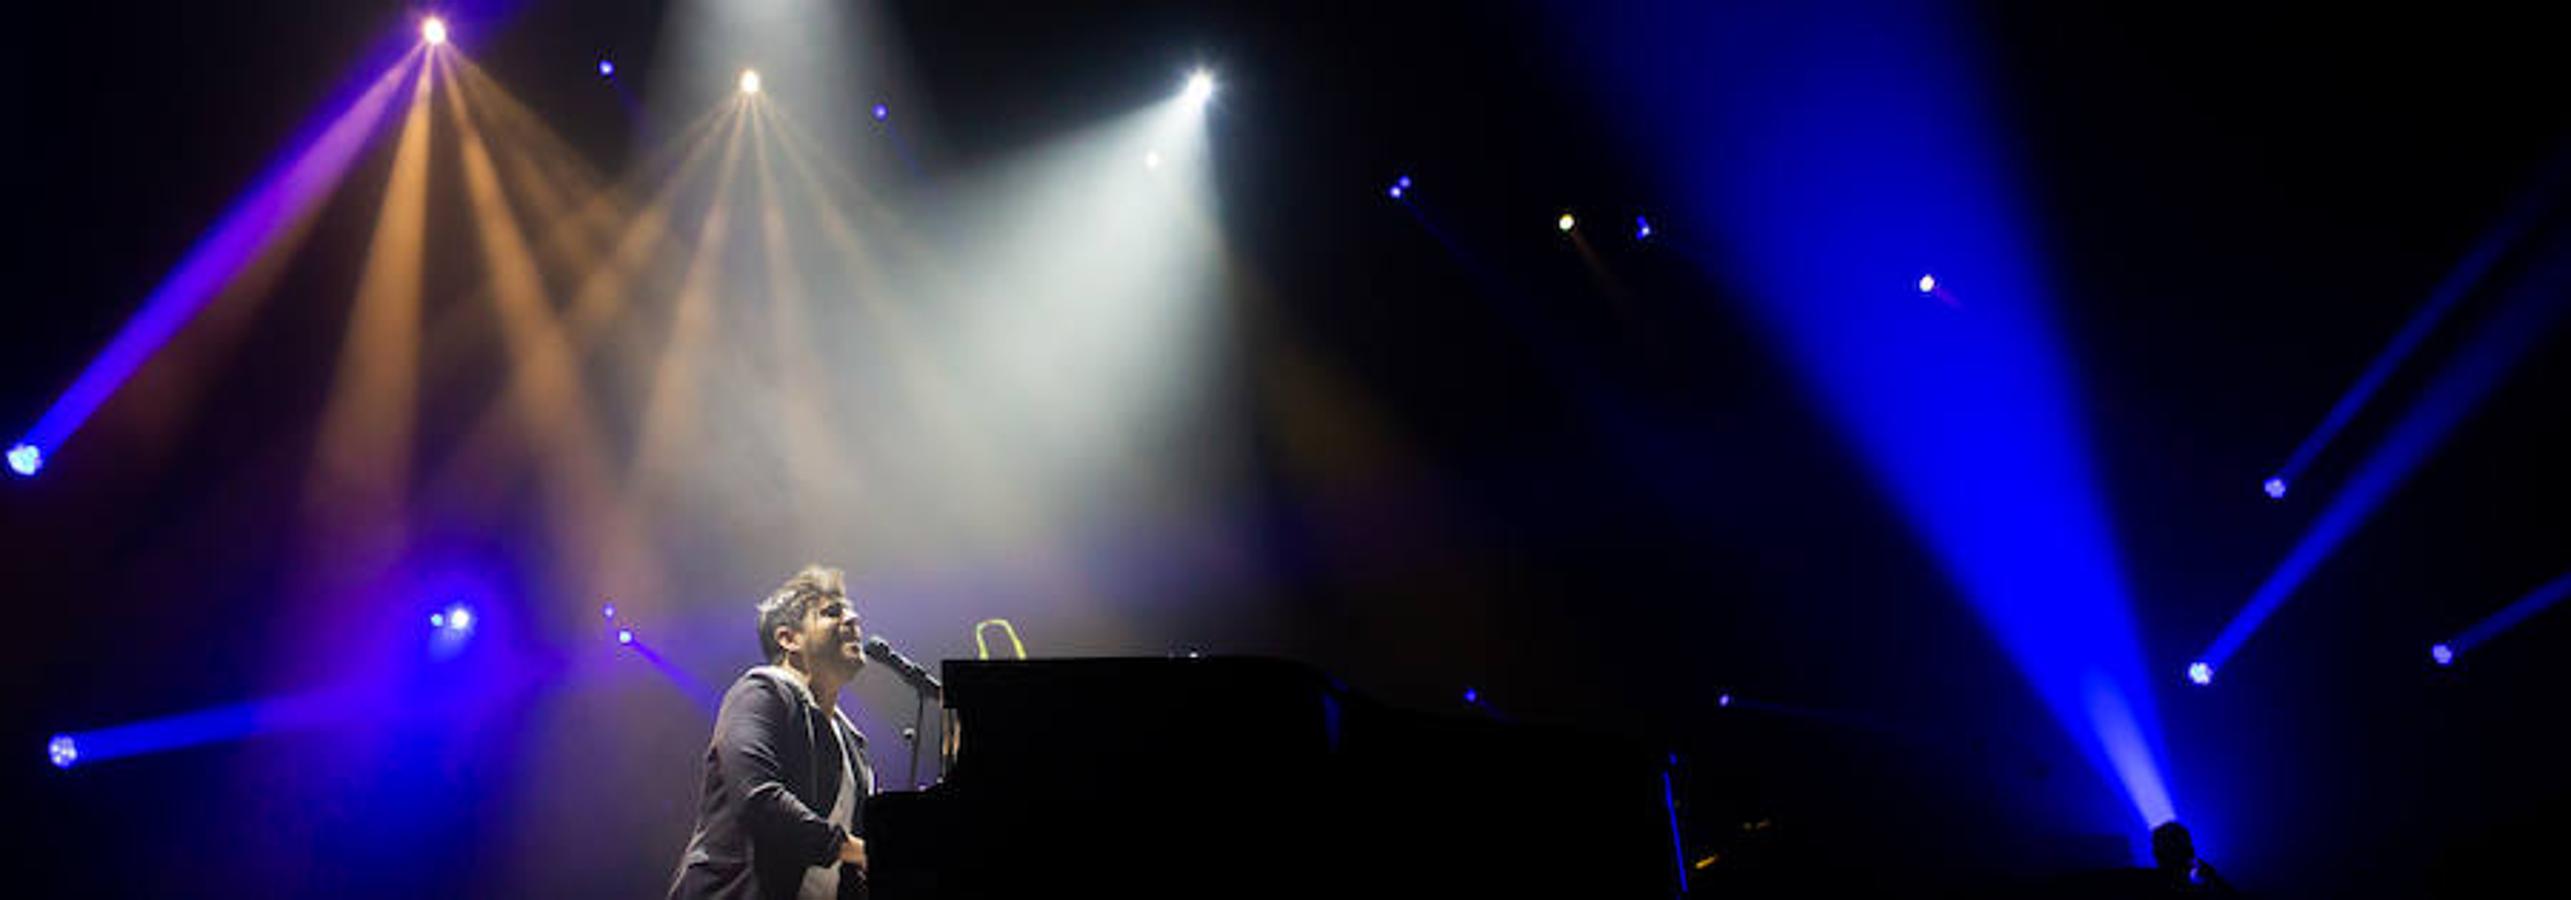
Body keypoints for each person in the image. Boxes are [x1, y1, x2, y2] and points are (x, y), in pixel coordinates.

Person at [669, 565, 877, 900]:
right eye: (832, 612)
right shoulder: (761, 693)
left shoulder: (851, 742)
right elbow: (759, 798)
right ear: (788, 638)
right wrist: (853, 849)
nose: (853, 620)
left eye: (852, 612)